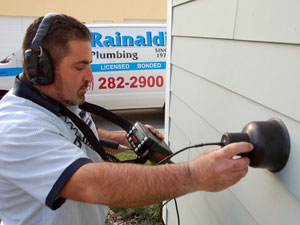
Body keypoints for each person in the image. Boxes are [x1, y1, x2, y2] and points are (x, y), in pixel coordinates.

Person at [0, 14, 252, 225]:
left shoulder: (58, 101)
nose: (90, 76)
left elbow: (69, 132)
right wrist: (193, 175)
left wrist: (118, 138)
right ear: (40, 69)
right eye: (79, 67)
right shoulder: (18, 127)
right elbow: (91, 185)